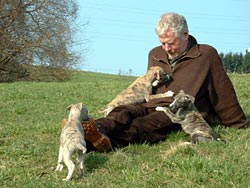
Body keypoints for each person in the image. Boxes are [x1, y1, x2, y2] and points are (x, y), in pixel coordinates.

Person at [82, 12, 248, 151]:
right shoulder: (155, 54)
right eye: (162, 43)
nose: (166, 49)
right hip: (149, 103)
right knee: (123, 111)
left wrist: (237, 122)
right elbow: (149, 87)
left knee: (143, 125)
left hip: (179, 111)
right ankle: (93, 130)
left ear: (185, 35)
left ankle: (100, 144)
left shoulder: (206, 55)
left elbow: (222, 90)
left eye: (171, 43)